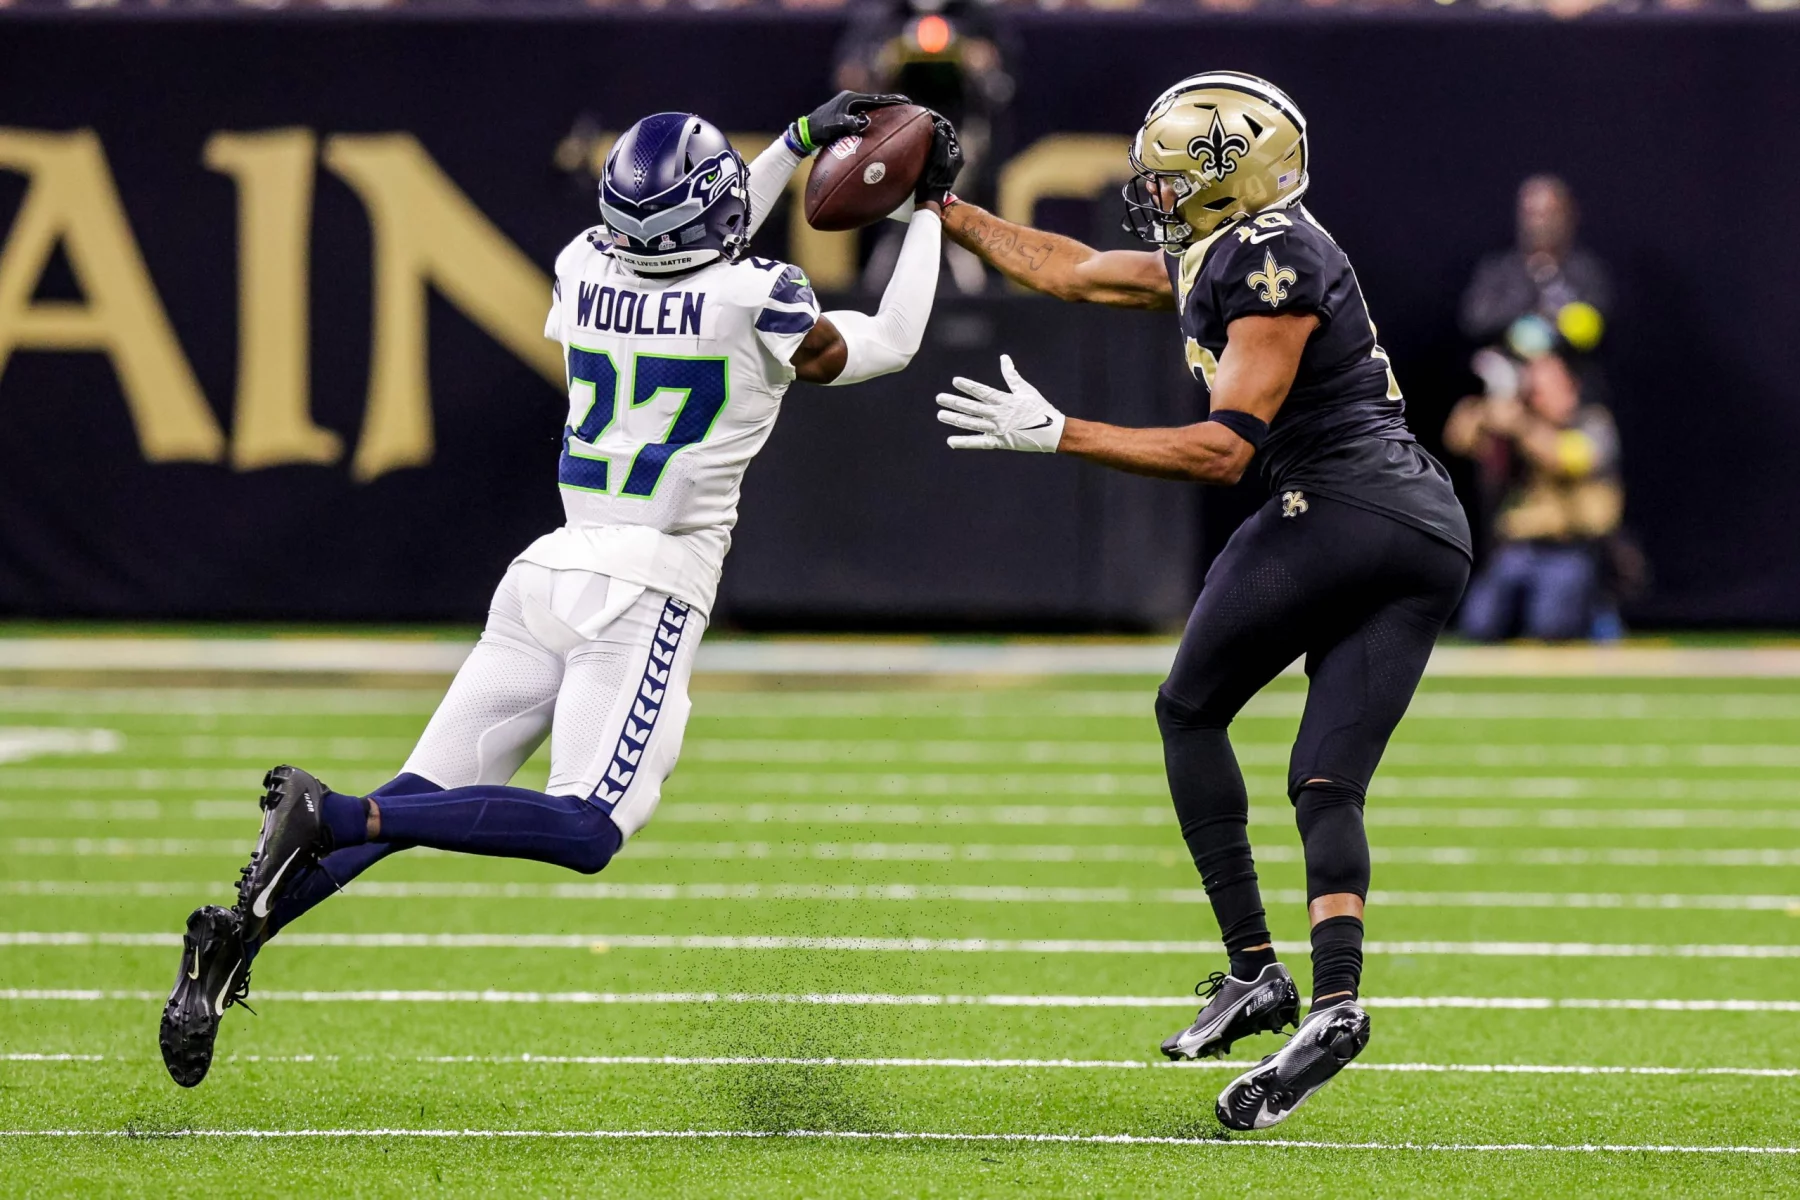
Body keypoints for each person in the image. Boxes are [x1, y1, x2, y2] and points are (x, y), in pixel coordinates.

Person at [158, 94, 963, 1088]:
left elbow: (689, 246)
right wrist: (929, 206)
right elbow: (886, 341)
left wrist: (796, 144)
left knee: (424, 794)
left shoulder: (584, 265)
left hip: (548, 569)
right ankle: (337, 814)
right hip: (648, 586)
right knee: (582, 828)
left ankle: (237, 933)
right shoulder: (763, 297)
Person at [931, 71, 1470, 1130]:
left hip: (1345, 502)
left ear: (1232, 183)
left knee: (1189, 708)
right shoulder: (1235, 247)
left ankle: (1253, 970)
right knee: (1325, 782)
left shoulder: (1273, 258)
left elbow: (1226, 450)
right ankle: (1336, 1006)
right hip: (1425, 531)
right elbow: (1078, 270)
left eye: (1173, 182)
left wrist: (1063, 434)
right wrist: (946, 210)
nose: (1157, 198)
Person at [1444, 350, 1623, 640]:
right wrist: (1486, 408)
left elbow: (1566, 459)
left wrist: (1520, 425)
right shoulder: (1522, 425)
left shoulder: (1592, 422)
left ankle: (1596, 612)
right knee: (1479, 626)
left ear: (1571, 386)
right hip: (1518, 549)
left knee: (1551, 629)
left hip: (1570, 547)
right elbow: (1459, 440)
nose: (1538, 396)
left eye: (1546, 387)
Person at [1460, 174, 1611, 362]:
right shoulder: (1499, 269)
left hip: (1570, 370)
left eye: (1549, 213)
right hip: (1510, 367)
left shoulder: (1585, 270)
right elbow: (1476, 319)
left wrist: (1558, 323)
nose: (1539, 223)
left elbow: (1599, 324)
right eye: (1531, 213)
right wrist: (1525, 314)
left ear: (1566, 215)